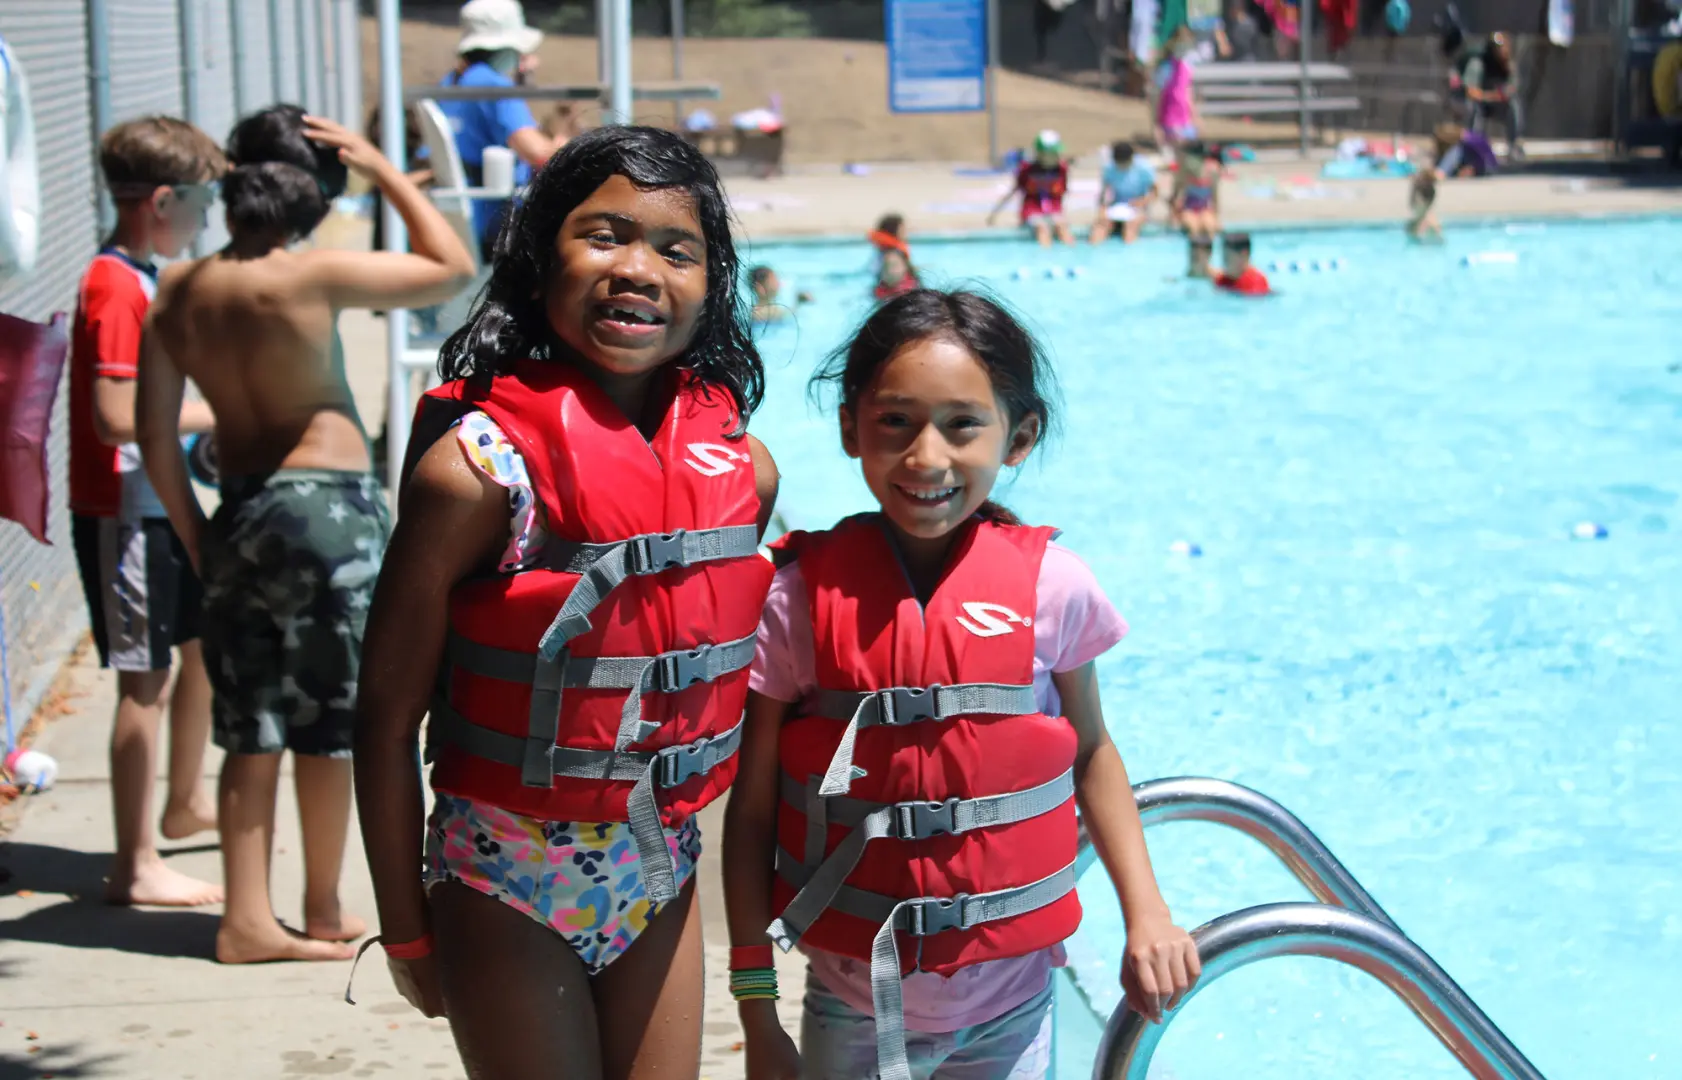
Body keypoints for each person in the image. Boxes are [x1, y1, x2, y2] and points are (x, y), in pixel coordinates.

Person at [352, 126, 779, 1076]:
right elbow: (383, 723)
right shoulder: (472, 476)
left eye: (677, 251)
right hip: (505, 877)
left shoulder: (742, 474)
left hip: (658, 874)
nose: (639, 269)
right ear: (542, 257)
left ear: (712, 286)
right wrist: (404, 930)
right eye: (604, 236)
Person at [723, 289, 1200, 1080]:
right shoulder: (801, 599)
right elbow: (754, 809)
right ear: (850, 427)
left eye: (962, 424)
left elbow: (1091, 755)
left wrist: (1146, 915)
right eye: (896, 421)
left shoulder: (1055, 587)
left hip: (1014, 1012)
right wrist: (754, 1004)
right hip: (852, 1008)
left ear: (1021, 436)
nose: (927, 458)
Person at [135, 105, 475, 963]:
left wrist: (196, 533)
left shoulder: (176, 292)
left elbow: (155, 435)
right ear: (297, 210)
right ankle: (323, 907)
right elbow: (453, 266)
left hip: (240, 511)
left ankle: (245, 919)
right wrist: (382, 169)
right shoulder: (311, 277)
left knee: (249, 727)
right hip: (326, 512)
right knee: (331, 725)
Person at [68, 117, 224, 908]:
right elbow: (115, 415)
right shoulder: (114, 286)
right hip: (125, 513)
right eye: (199, 203)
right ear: (162, 200)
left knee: (195, 654)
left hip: (160, 502)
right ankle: (134, 864)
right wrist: (218, 412)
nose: (205, 221)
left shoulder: (140, 275)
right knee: (145, 682)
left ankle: (184, 799)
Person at [438, 0, 571, 261]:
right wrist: (568, 143)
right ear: (507, 47)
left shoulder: (452, 81)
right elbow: (537, 152)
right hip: (494, 222)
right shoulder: (495, 85)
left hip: (461, 215)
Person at [987, 131, 1075, 247]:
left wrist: (1060, 215)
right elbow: (1014, 191)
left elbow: (1062, 193)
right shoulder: (1027, 169)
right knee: (1042, 228)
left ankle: (1071, 258)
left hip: (1054, 209)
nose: (1057, 155)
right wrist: (995, 214)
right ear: (1040, 153)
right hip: (1032, 210)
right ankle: (1046, 260)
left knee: (1062, 227)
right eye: (1053, 153)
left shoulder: (1062, 169)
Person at [1462, 33, 1523, 161]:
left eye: (1502, 47)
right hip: (1482, 103)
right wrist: (1490, 96)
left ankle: (1513, 146)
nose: (1500, 50)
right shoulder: (1479, 63)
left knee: (1514, 105)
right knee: (1473, 107)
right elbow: (1471, 91)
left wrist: (1500, 94)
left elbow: (1511, 90)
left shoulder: (1509, 65)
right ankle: (1474, 148)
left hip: (1499, 105)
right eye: (1497, 48)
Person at [1090, 142, 1157, 244]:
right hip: (1116, 206)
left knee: (1130, 228)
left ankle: (1128, 256)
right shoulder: (1109, 168)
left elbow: (1155, 192)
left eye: (1123, 163)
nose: (1121, 166)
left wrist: (1142, 202)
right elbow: (1103, 194)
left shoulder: (1144, 167)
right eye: (1118, 163)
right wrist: (1102, 209)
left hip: (1138, 207)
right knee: (1099, 228)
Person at [1156, 27, 1200, 148]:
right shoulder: (1166, 67)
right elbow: (1158, 97)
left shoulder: (1186, 67)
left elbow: (1188, 94)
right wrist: (1157, 124)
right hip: (1169, 117)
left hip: (1184, 117)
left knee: (1189, 146)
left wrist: (1195, 116)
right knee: (1177, 146)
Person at [1170, 141, 1220, 239]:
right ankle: (1196, 249)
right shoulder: (1184, 172)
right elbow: (1175, 196)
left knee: (1209, 225)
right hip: (1188, 209)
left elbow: (1215, 197)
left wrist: (1216, 215)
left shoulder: (1212, 171)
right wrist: (1174, 215)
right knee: (1193, 226)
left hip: (1205, 208)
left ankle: (1207, 251)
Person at [1433, 122, 1498, 179]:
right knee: (1456, 151)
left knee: (1457, 150)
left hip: (1484, 169)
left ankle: (1440, 172)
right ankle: (1440, 171)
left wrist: (1471, 168)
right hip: (1478, 167)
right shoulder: (1469, 138)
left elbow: (1485, 159)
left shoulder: (1468, 139)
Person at [1407, 168, 1442, 242]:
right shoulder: (1420, 183)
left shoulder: (1423, 184)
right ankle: (1433, 235)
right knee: (1423, 219)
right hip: (1423, 200)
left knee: (1424, 219)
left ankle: (1432, 235)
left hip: (1425, 200)